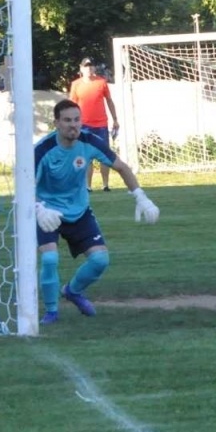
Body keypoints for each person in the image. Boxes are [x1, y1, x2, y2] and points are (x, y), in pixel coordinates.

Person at [33, 100, 160, 324]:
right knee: (50, 258)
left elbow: (121, 167)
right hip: (47, 212)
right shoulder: (43, 150)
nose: (73, 125)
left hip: (79, 210)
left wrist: (141, 198)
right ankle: (51, 312)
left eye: (76, 120)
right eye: (67, 120)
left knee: (100, 260)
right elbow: (24, 184)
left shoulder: (90, 141)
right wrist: (38, 208)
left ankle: (72, 291)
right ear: (56, 123)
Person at [67, 58, 119, 193]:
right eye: (86, 66)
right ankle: (87, 186)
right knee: (86, 156)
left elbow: (109, 101)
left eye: (91, 66)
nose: (89, 68)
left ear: (94, 68)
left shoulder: (101, 82)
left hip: (101, 124)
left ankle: (105, 185)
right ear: (81, 68)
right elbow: (71, 105)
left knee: (104, 154)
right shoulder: (76, 84)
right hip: (83, 125)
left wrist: (115, 119)